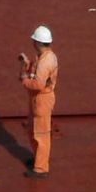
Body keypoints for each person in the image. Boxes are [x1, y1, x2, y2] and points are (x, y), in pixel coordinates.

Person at [20, 25, 59, 178]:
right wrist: (28, 64)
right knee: (32, 130)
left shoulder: (45, 62)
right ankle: (38, 159)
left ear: (36, 42)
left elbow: (38, 84)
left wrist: (24, 79)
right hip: (38, 99)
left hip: (42, 100)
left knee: (41, 134)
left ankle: (41, 168)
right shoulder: (45, 57)